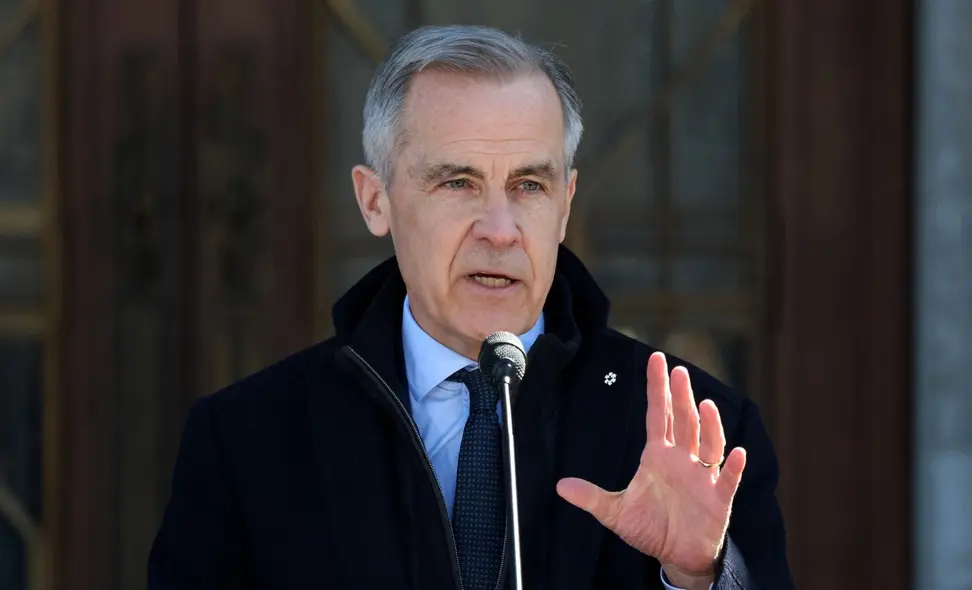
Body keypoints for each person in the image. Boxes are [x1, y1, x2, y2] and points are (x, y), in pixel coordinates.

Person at [147, 24, 793, 590]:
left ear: (565, 205)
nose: (501, 230)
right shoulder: (247, 442)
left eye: (529, 185)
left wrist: (699, 577)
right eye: (458, 183)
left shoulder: (700, 439)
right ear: (375, 201)